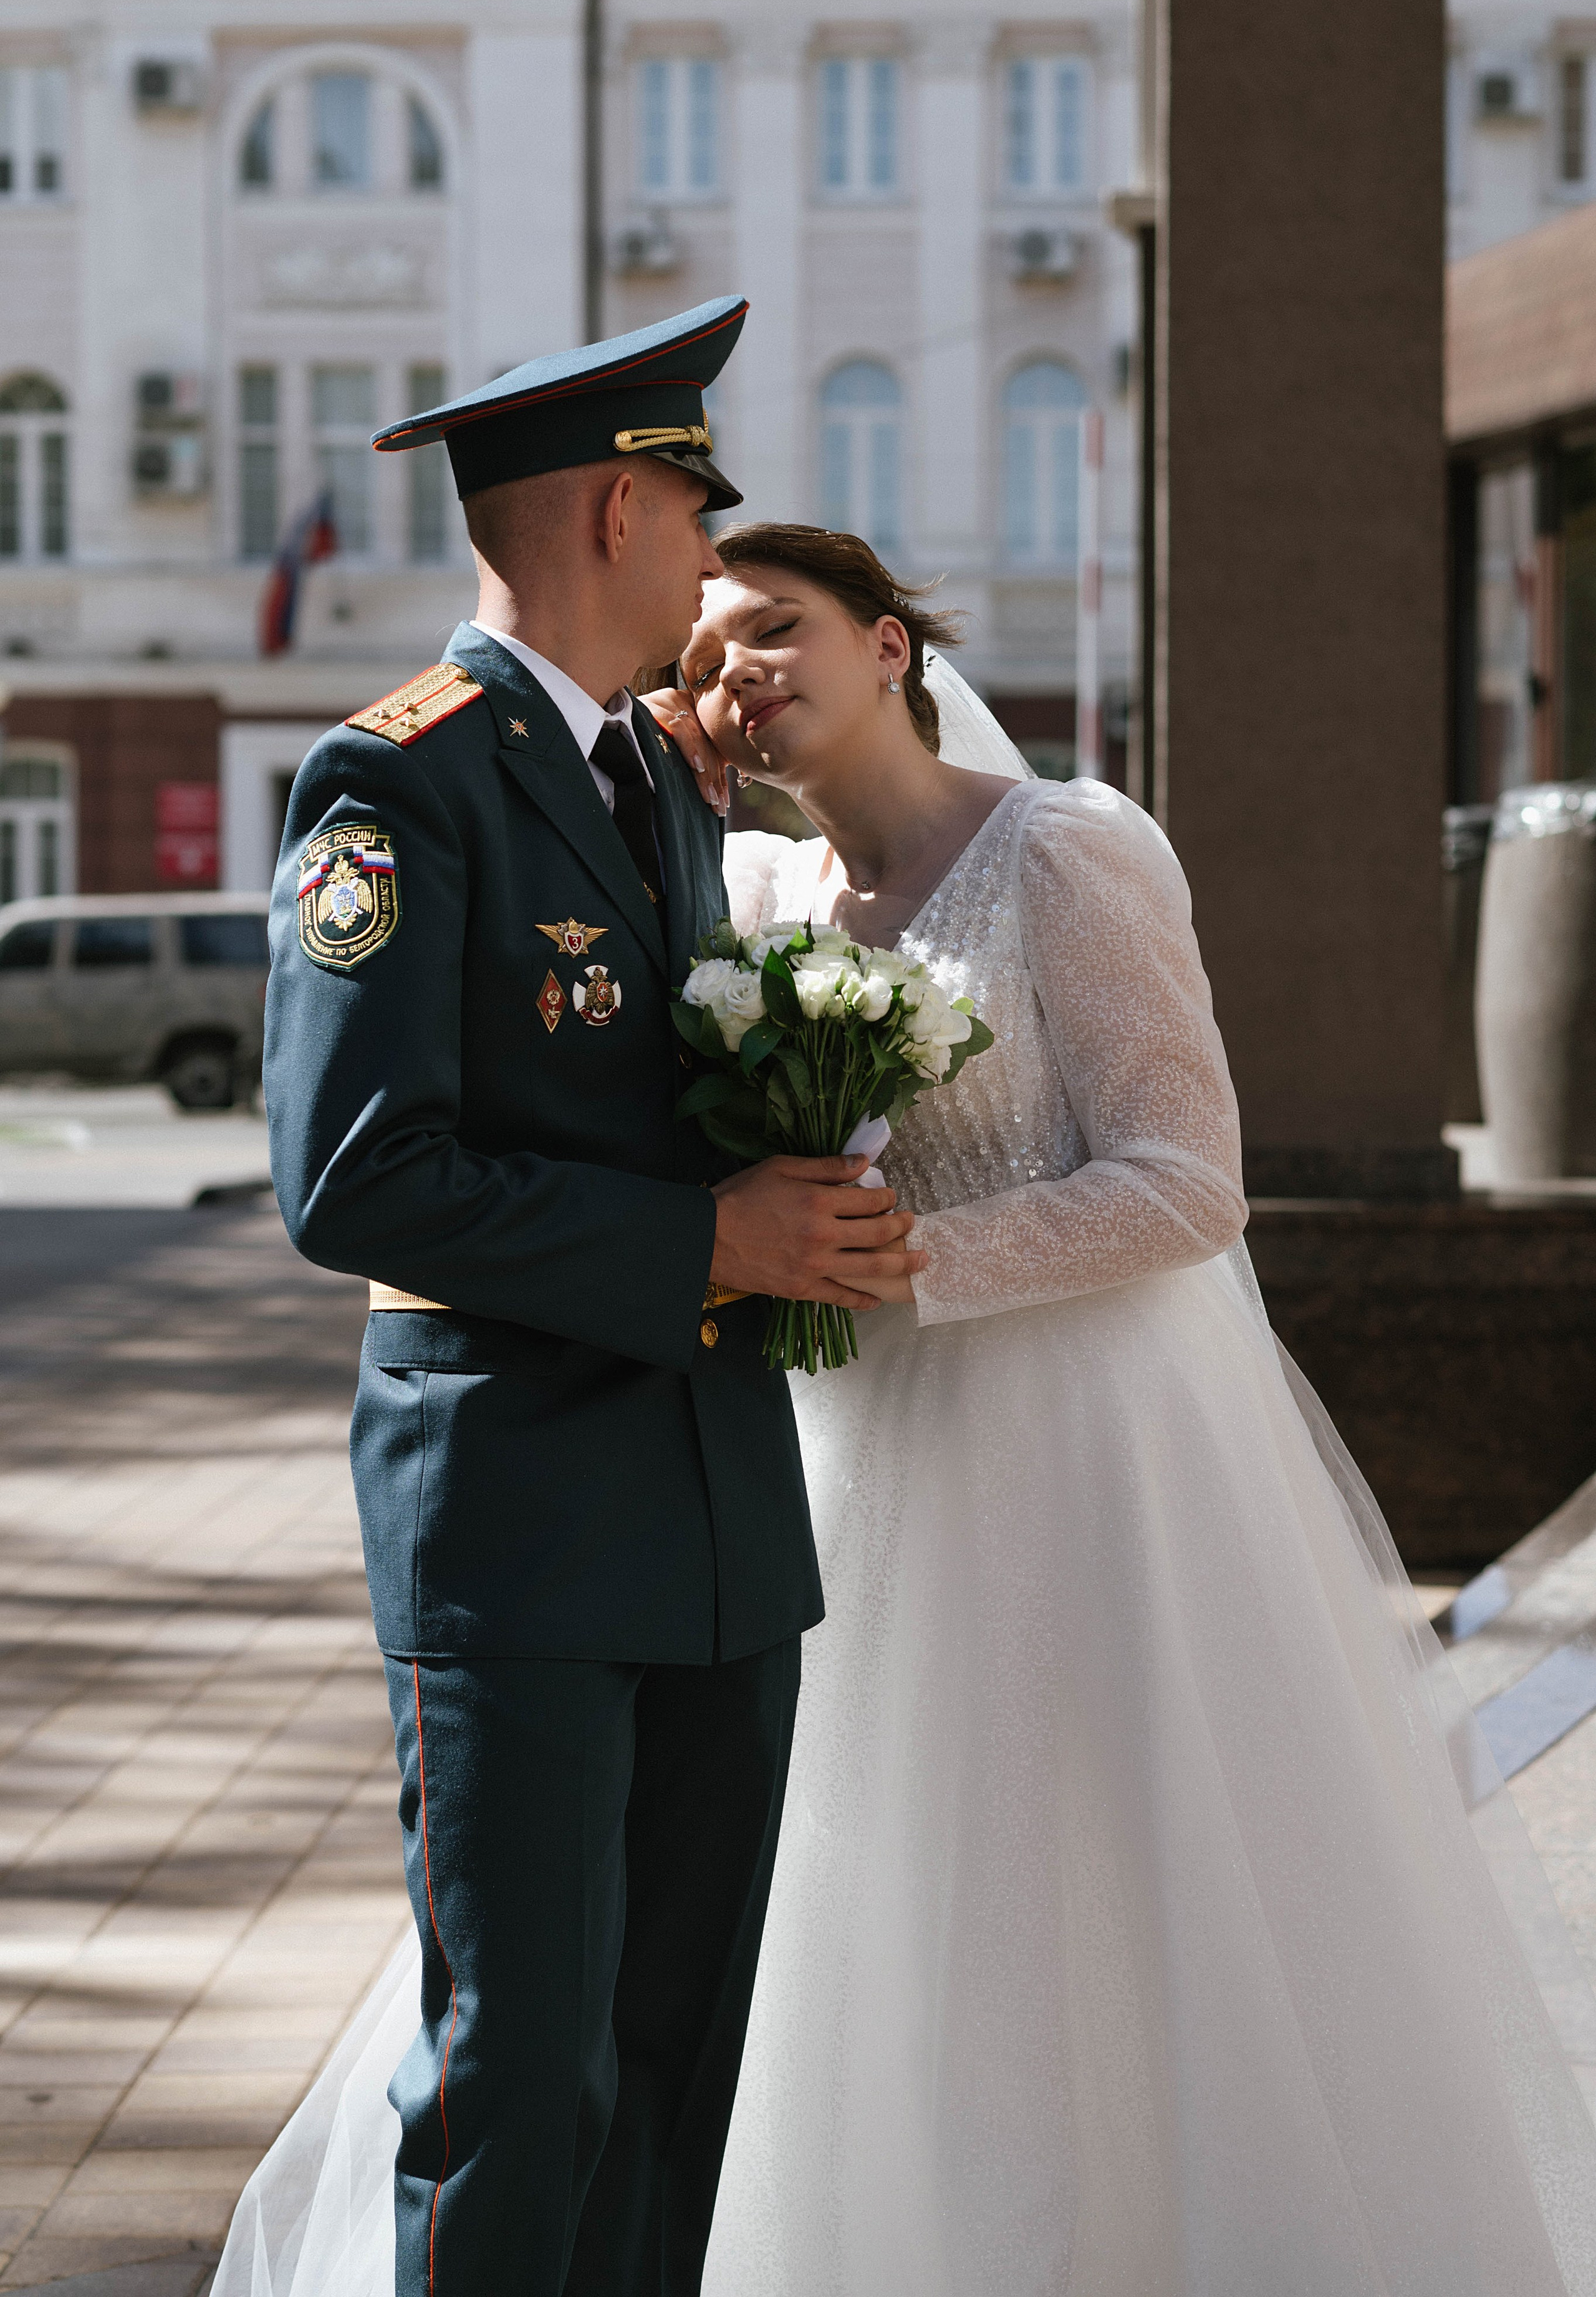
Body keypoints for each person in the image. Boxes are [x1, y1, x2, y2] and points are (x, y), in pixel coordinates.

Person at [228, 510, 1596, 2296]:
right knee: (829, 1906)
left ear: (893, 646)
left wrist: (904, 1262)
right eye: (706, 650)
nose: (737, 669)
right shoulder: (747, 899)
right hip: (832, 1465)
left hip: (1077, 1456)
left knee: (1087, 1892)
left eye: (778, 627)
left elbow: (1191, 1181)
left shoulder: (1066, 853)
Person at [239, 309, 921, 2296]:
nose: (709, 563)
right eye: (697, 516)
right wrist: (711, 1245)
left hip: (716, 1525)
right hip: (520, 1527)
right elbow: (354, 1173)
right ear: (623, 509)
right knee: (522, 2087)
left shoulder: (657, 777)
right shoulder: (396, 782)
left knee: (676, 2073)